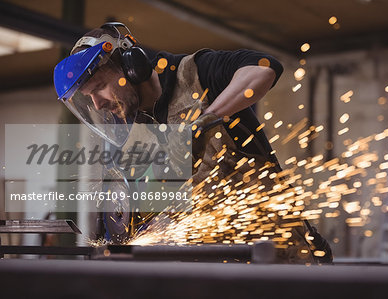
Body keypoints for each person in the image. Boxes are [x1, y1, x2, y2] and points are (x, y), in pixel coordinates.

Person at [53, 22, 332, 263]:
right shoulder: (132, 129)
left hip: (275, 255)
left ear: (131, 64)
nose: (98, 104)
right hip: (209, 264)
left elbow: (265, 69)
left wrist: (205, 121)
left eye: (99, 87)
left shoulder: (195, 73)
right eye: (89, 98)